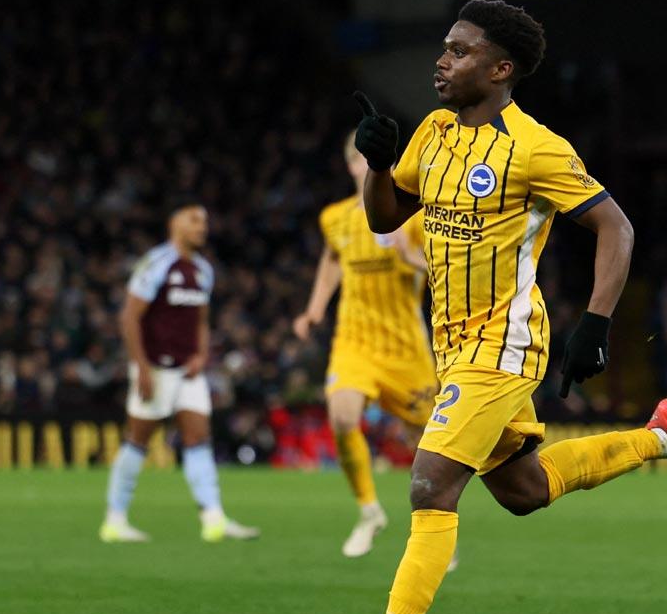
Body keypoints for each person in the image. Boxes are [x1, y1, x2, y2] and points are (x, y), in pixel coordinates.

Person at [310, 0, 667, 614]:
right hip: (453, 346)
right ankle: (666, 435)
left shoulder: (535, 147)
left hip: (504, 343)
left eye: (458, 50)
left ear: (500, 68)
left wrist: (595, 324)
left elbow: (617, 228)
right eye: (443, 48)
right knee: (522, 491)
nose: (442, 61)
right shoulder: (434, 131)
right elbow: (387, 218)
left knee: (429, 484)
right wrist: (380, 166)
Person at [294, 133, 437, 558]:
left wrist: (412, 259)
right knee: (341, 415)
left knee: (426, 447)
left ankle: (434, 531)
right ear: (352, 166)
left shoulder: (412, 216)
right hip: (354, 341)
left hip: (405, 348)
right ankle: (370, 510)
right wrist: (314, 308)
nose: (367, 165)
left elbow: (440, 266)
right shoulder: (335, 218)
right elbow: (332, 258)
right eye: (358, 159)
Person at [99, 201, 260, 543]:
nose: (203, 226)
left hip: (189, 372)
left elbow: (200, 320)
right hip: (155, 369)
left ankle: (213, 518)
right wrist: (141, 367)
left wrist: (201, 354)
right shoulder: (157, 264)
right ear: (176, 225)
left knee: (198, 437)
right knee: (138, 440)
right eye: (195, 220)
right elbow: (129, 317)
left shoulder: (202, 269)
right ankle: (115, 519)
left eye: (204, 221)